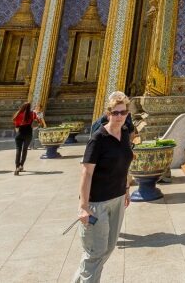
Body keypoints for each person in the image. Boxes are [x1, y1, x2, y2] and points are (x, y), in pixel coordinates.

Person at [74, 91, 134, 283]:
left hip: (117, 197)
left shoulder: (124, 134)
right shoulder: (98, 138)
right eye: (115, 113)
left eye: (122, 113)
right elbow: (87, 172)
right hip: (97, 202)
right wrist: (83, 207)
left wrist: (126, 189)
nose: (119, 116)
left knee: (107, 248)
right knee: (95, 252)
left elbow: (125, 165)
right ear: (108, 113)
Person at [13, 102, 36, 175]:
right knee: (24, 150)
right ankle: (21, 166)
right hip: (28, 133)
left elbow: (16, 126)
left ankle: (17, 167)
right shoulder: (32, 114)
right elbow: (36, 122)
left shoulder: (18, 113)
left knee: (18, 150)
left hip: (19, 133)